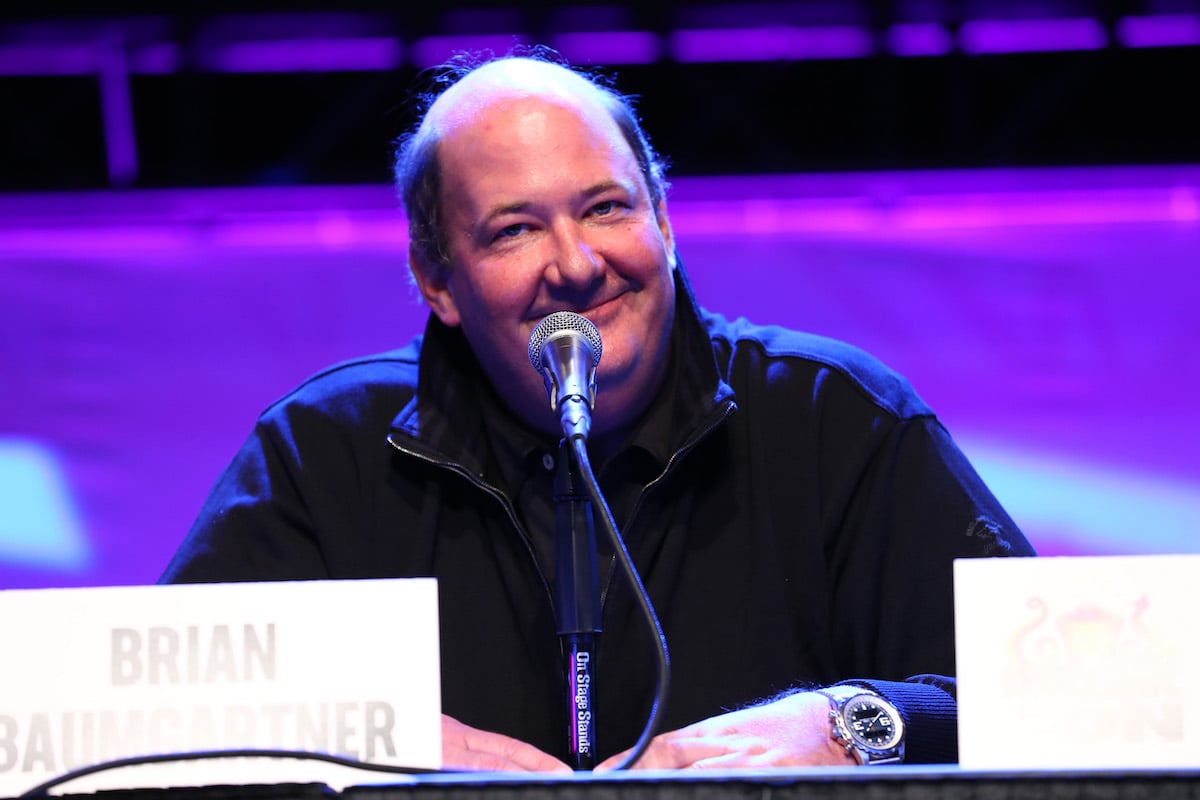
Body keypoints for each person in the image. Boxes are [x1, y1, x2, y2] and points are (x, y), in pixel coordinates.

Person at [161, 48, 1035, 772]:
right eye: (514, 229)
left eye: (606, 208)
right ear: (437, 280)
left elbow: (1053, 691)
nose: (576, 264)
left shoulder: (836, 416)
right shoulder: (324, 453)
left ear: (663, 218)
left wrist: (853, 724)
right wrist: (376, 740)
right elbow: (155, 721)